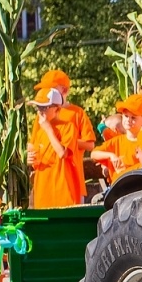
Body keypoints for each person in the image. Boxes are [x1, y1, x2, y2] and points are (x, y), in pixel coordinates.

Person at [28, 79, 93, 208]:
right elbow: (35, 154)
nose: (40, 111)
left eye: (44, 107)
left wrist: (48, 129)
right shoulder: (40, 129)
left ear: (57, 109)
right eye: (38, 107)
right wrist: (28, 158)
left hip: (63, 191)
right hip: (43, 191)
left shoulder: (68, 127)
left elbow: (62, 153)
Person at [92, 92, 142, 181]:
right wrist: (111, 155)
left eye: (133, 118)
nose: (128, 120)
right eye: (126, 116)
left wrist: (126, 172)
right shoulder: (116, 141)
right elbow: (94, 154)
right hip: (118, 187)